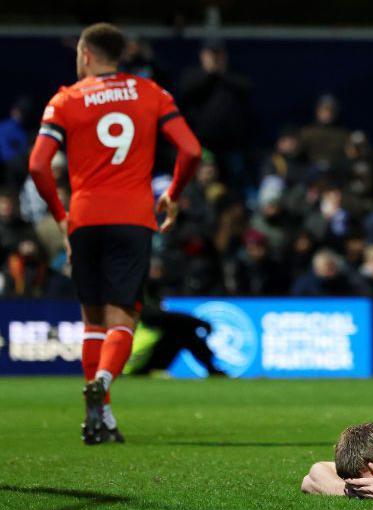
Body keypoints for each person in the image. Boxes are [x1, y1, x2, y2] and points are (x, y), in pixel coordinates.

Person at [27, 22, 201, 444]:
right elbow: (192, 150)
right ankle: (103, 383)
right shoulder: (151, 92)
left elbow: (37, 165)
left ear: (86, 53)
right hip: (134, 218)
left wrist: (61, 215)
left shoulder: (65, 99)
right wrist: (172, 194)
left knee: (93, 321)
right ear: (119, 54)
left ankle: (99, 417)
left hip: (85, 219)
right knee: (124, 318)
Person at [179, 39, 251, 188]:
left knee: (233, 186)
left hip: (230, 146)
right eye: (212, 54)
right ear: (203, 56)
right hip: (202, 144)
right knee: (200, 184)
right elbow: (186, 92)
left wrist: (221, 73)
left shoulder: (233, 76)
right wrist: (210, 74)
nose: (216, 58)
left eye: (219, 54)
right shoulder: (193, 75)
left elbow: (247, 88)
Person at [298, 94, 350, 168]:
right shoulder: (306, 132)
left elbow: (348, 156)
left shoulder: (343, 134)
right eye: (323, 110)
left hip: (335, 173)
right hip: (310, 172)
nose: (326, 114)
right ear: (317, 112)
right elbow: (297, 155)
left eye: (330, 111)